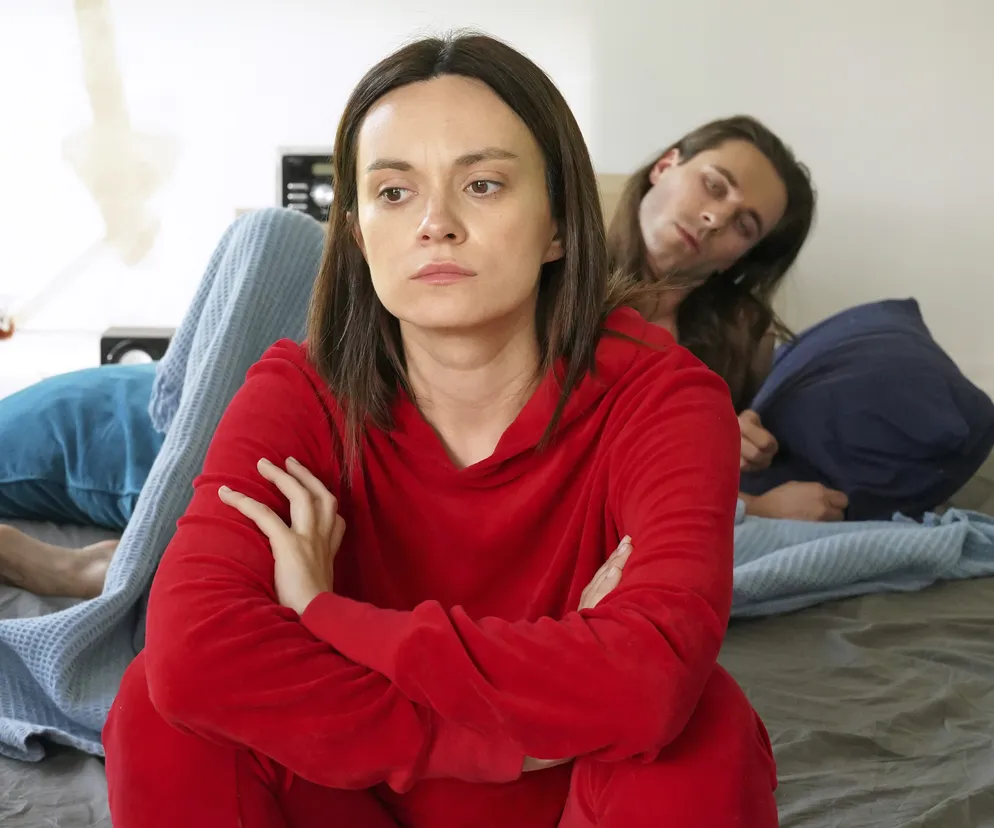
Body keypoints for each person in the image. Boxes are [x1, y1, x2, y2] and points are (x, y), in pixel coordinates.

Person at [101, 32, 778, 828]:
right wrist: (510, 740)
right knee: (157, 708)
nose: (435, 223)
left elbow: (650, 684)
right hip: (354, 787)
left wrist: (325, 615)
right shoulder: (299, 390)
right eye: (394, 192)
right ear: (358, 233)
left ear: (559, 223)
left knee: (704, 727)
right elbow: (193, 654)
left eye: (483, 185)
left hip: (572, 801)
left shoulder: (667, 400)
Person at [0, 97, 838, 603]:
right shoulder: (527, 235)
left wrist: (743, 489)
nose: (714, 218)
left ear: (748, 256)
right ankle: (134, 560)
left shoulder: (714, 355)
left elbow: (660, 514)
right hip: (212, 401)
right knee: (276, 236)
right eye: (714, 185)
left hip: (364, 461)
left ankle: (121, 570)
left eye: (744, 225)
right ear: (667, 166)